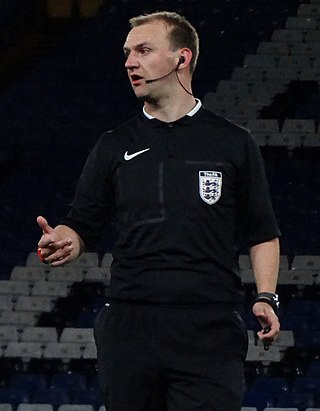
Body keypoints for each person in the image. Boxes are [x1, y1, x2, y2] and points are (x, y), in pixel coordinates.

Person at [37, 11, 281, 411]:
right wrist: (65, 240)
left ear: (181, 58)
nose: (130, 61)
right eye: (127, 52)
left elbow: (262, 232)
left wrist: (266, 296)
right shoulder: (114, 145)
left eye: (144, 50)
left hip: (210, 327)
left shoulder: (234, 143)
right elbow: (81, 223)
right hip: (131, 325)